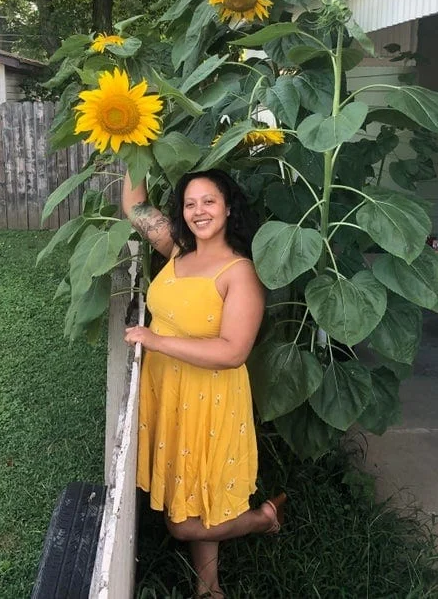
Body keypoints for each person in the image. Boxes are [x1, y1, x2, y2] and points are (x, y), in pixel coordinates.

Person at [123, 168, 286, 599]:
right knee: (193, 493)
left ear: (228, 208)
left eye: (209, 201)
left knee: (182, 523)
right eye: (190, 203)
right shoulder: (178, 249)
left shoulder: (240, 272)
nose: (199, 211)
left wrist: (156, 340)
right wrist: (130, 145)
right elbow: (136, 208)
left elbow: (233, 351)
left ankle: (262, 519)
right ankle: (209, 587)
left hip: (212, 399)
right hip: (171, 394)